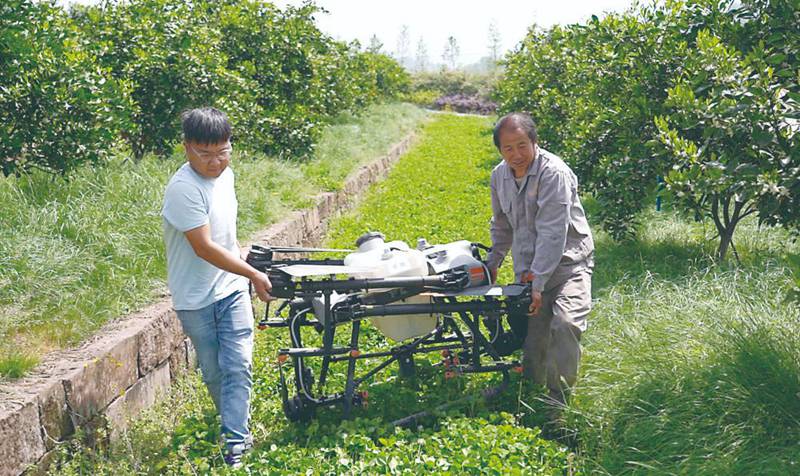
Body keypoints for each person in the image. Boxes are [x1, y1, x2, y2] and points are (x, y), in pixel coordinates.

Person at [161, 107, 272, 468]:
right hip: (194, 298)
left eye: (223, 151)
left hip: (231, 288)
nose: (215, 162)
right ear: (186, 148)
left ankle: (236, 442)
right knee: (213, 371)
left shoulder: (227, 177)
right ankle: (235, 425)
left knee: (238, 364)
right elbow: (204, 247)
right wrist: (253, 274)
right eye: (205, 154)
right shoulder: (183, 189)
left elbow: (225, 234)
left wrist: (243, 260)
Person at [484, 112, 594, 410]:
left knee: (566, 324)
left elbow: (552, 232)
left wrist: (538, 282)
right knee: (535, 344)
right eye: (508, 148)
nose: (516, 154)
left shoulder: (553, 173)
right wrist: (492, 261)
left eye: (522, 145)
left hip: (570, 264)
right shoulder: (499, 176)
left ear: (535, 142)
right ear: (499, 150)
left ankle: (558, 402)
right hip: (529, 268)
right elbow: (502, 224)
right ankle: (528, 393)